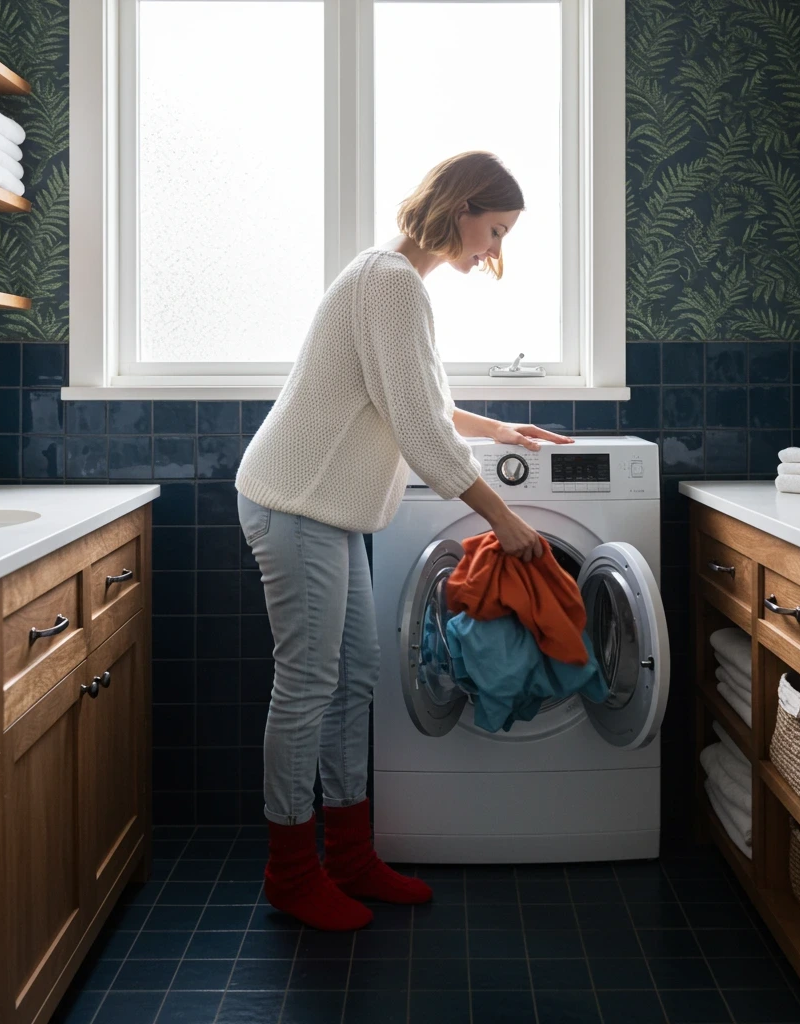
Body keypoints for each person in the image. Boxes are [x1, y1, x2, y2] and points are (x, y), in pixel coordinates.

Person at [235, 151, 573, 931]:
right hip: (296, 504)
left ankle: (350, 859)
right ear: (462, 208)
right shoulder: (391, 283)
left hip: (329, 509)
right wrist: (506, 520)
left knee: (351, 680)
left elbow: (417, 398)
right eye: (495, 230)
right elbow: (420, 431)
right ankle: (292, 872)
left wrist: (498, 428)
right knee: (309, 685)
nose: (494, 251)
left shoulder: (390, 278)